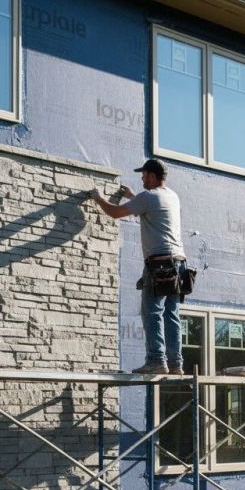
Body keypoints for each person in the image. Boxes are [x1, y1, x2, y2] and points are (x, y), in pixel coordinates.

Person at [90, 158, 186, 375]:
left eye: (143, 175)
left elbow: (114, 213)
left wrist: (98, 198)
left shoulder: (148, 197)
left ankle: (156, 361)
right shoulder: (171, 196)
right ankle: (175, 363)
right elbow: (151, 209)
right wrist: (132, 197)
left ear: (152, 176)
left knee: (151, 311)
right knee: (171, 313)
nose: (142, 179)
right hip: (179, 263)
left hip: (159, 263)